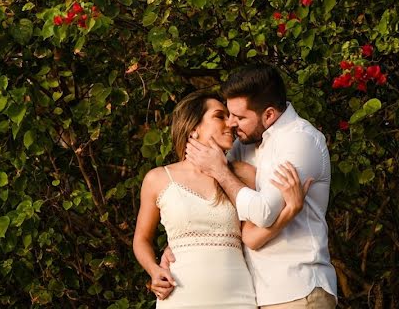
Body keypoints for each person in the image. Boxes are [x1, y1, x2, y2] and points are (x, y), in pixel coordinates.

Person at [180, 64, 338, 308]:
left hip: (299, 290)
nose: (231, 124)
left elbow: (263, 213)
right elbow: (205, 185)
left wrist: (223, 171)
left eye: (239, 117)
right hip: (257, 295)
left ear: (269, 115)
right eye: (228, 114)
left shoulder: (299, 141)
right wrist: (176, 248)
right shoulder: (245, 141)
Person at [133, 91, 312, 307]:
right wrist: (154, 270)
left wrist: (290, 210)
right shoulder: (158, 178)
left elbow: (253, 238)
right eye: (220, 116)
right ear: (193, 127)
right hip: (180, 297)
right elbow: (141, 239)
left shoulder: (245, 174)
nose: (230, 123)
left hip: (238, 298)